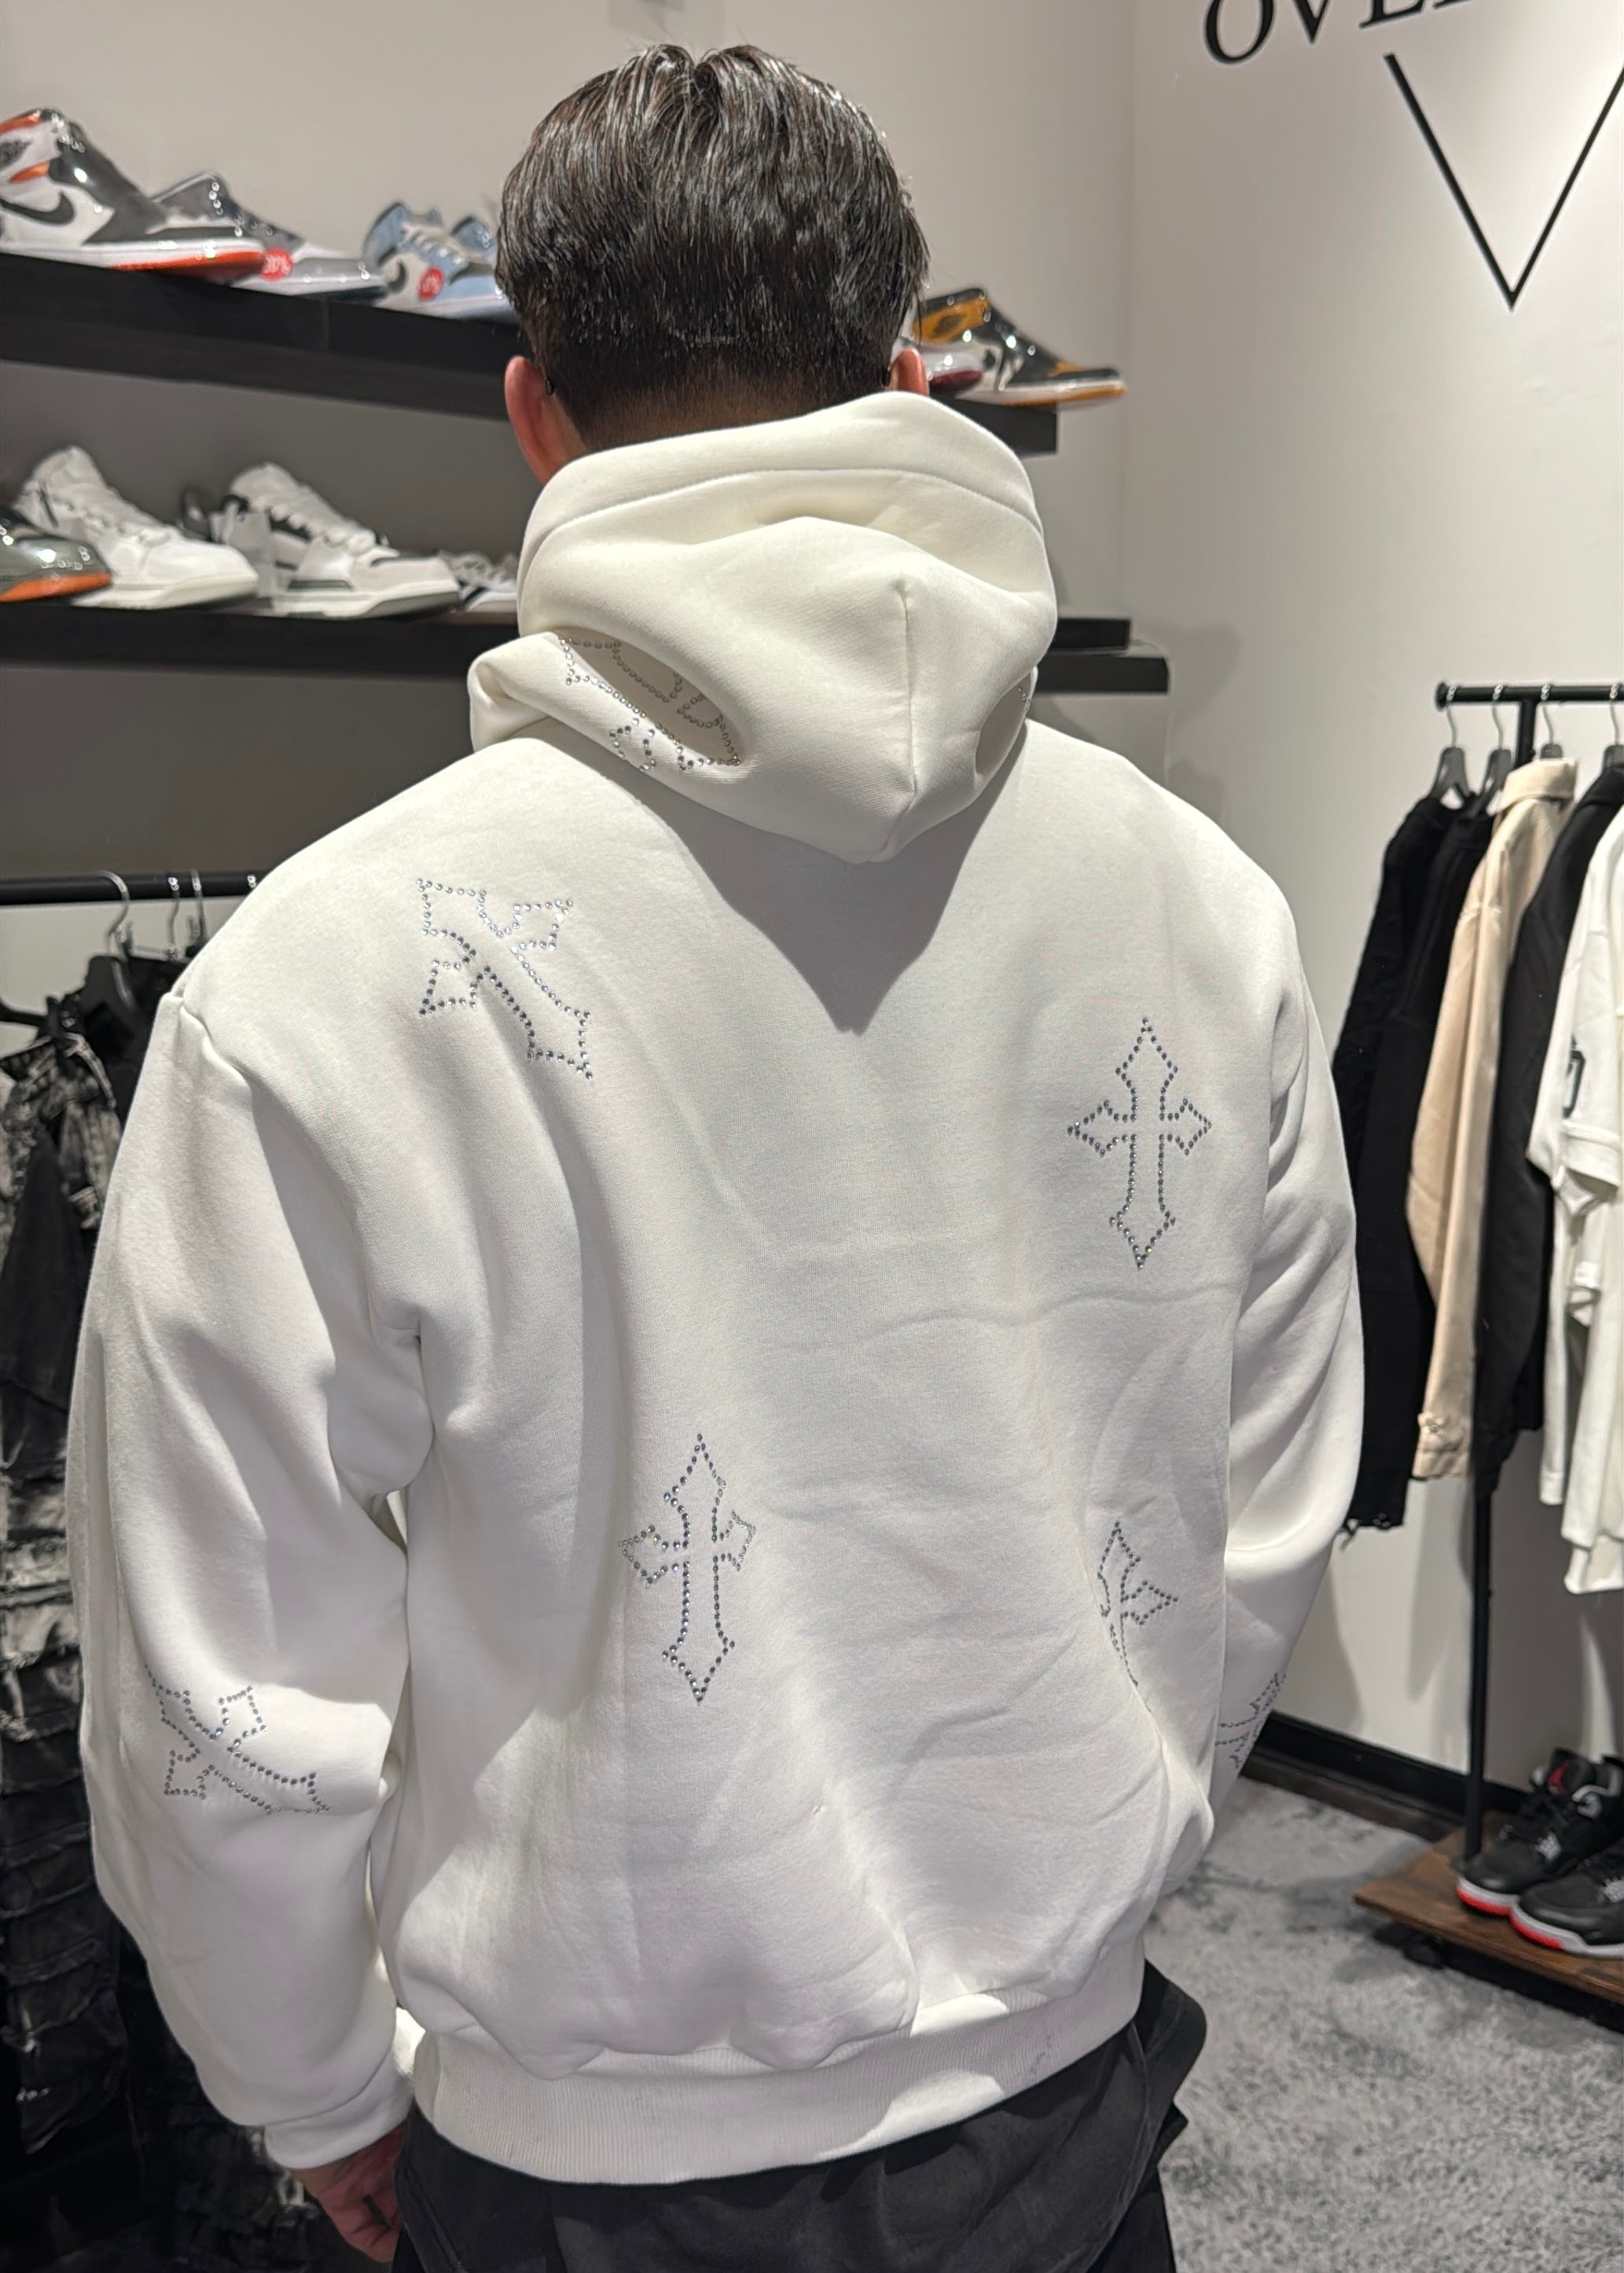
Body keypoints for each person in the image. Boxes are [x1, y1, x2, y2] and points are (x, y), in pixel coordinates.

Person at [67, 44, 1361, 2273]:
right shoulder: (1198, 909)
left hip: (582, 2169)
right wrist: (1075, 1877)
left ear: (531, 415)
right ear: (899, 379)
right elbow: (1258, 1514)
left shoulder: (322, 978)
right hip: (1067, 2123)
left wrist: (312, 2083)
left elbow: (221, 1674)